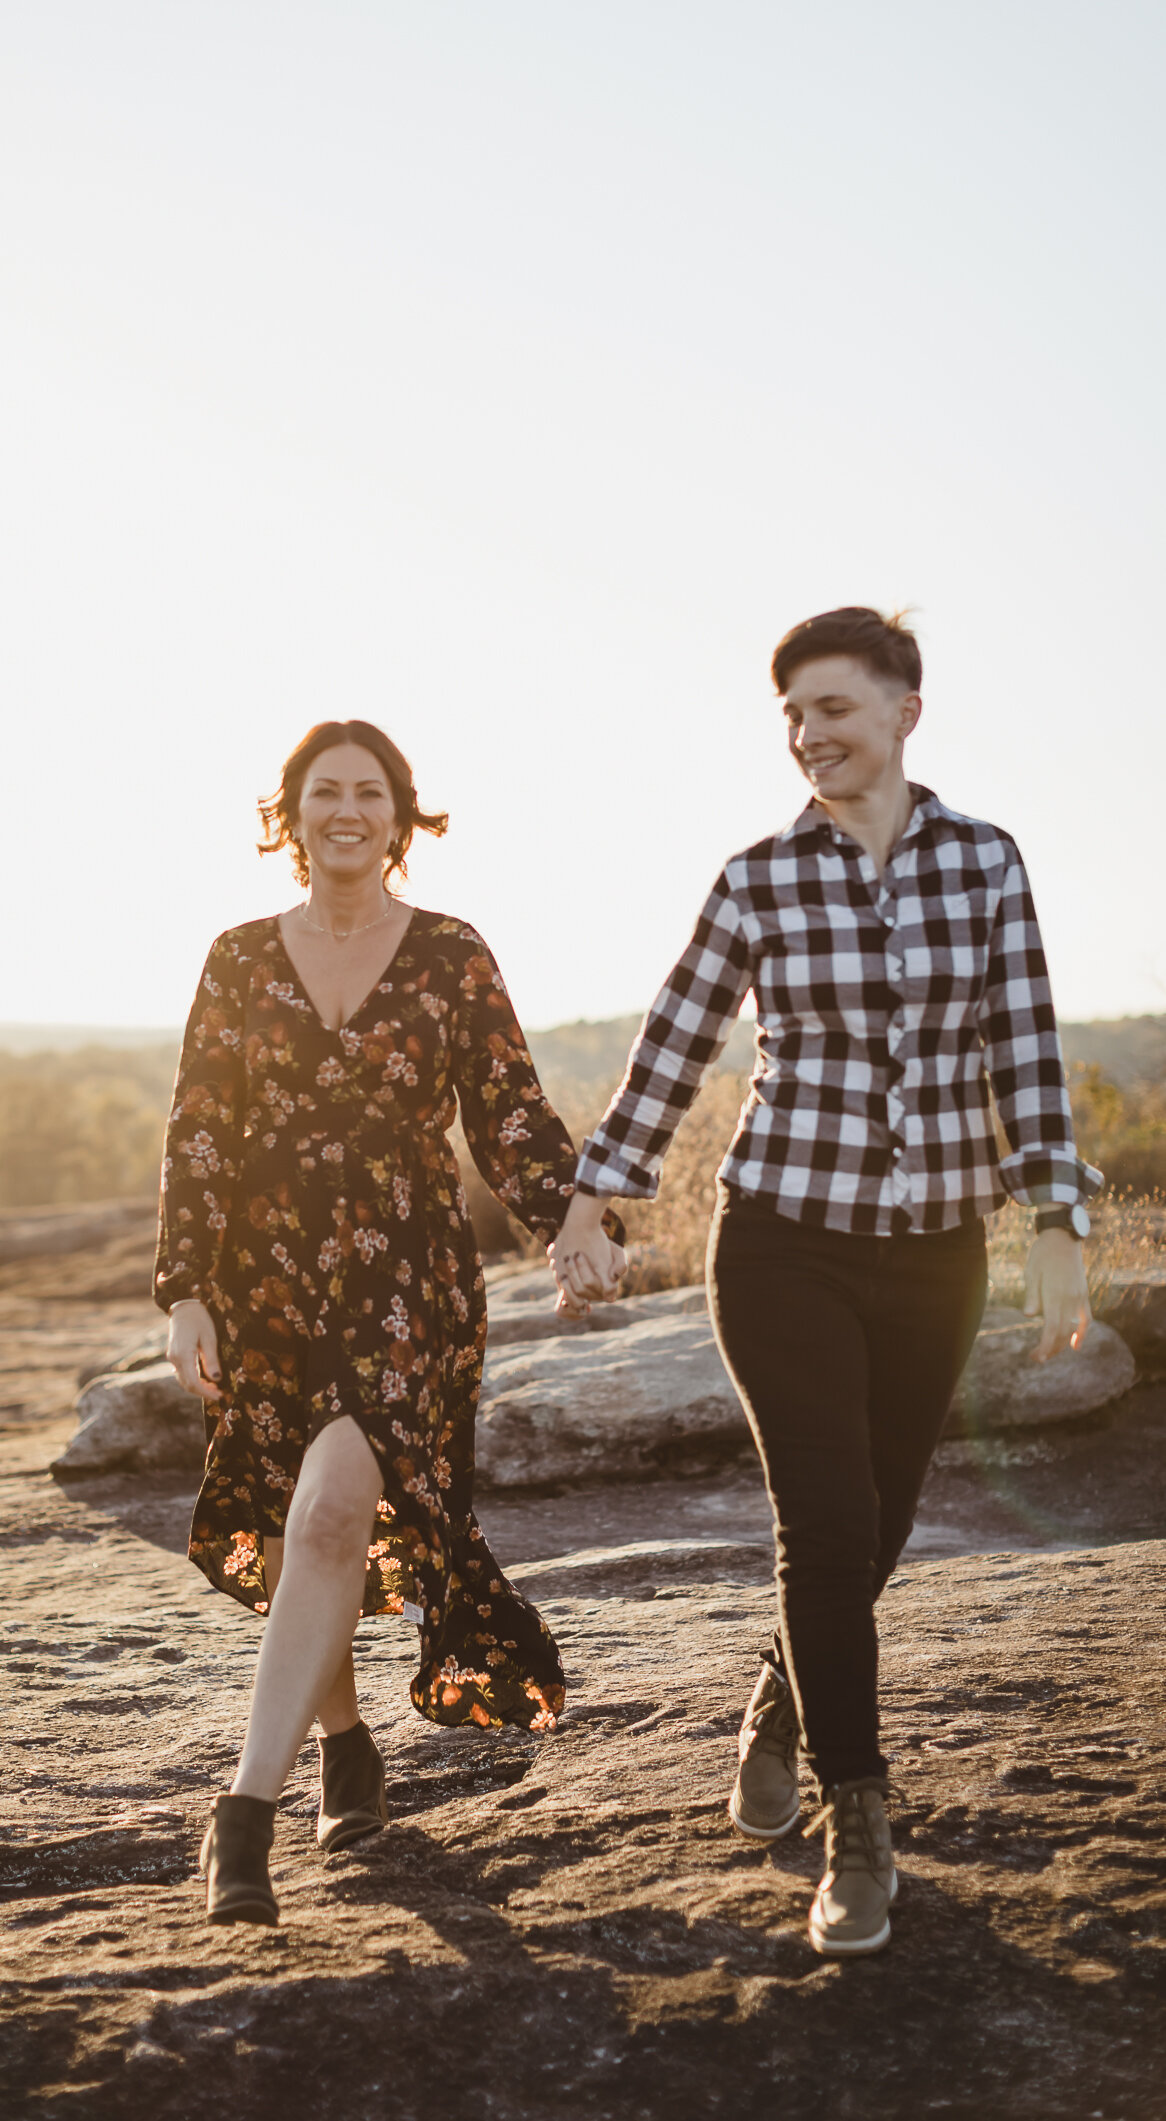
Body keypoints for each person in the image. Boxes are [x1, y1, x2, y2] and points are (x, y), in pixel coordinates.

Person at [549, 607, 1098, 1958]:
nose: (808, 738)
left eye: (833, 711)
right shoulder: (756, 880)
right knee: (826, 1524)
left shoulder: (983, 863)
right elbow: (673, 1040)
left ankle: (783, 1700)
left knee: (886, 1518)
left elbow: (1022, 1044)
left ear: (906, 709)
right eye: (790, 715)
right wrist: (595, 1194)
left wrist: (1054, 1228)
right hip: (782, 1239)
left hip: (933, 1257)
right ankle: (860, 1819)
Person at [156, 718, 623, 1927]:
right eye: (325, 792)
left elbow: (509, 1115)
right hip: (268, 1281)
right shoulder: (238, 958)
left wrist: (572, 1224)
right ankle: (347, 1743)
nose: (346, 810)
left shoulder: (453, 954)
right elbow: (200, 1132)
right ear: (292, 814)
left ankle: (242, 1816)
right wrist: (186, 1288)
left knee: (326, 1511)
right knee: (308, 1526)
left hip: (407, 1280)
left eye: (369, 791)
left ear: (400, 815)